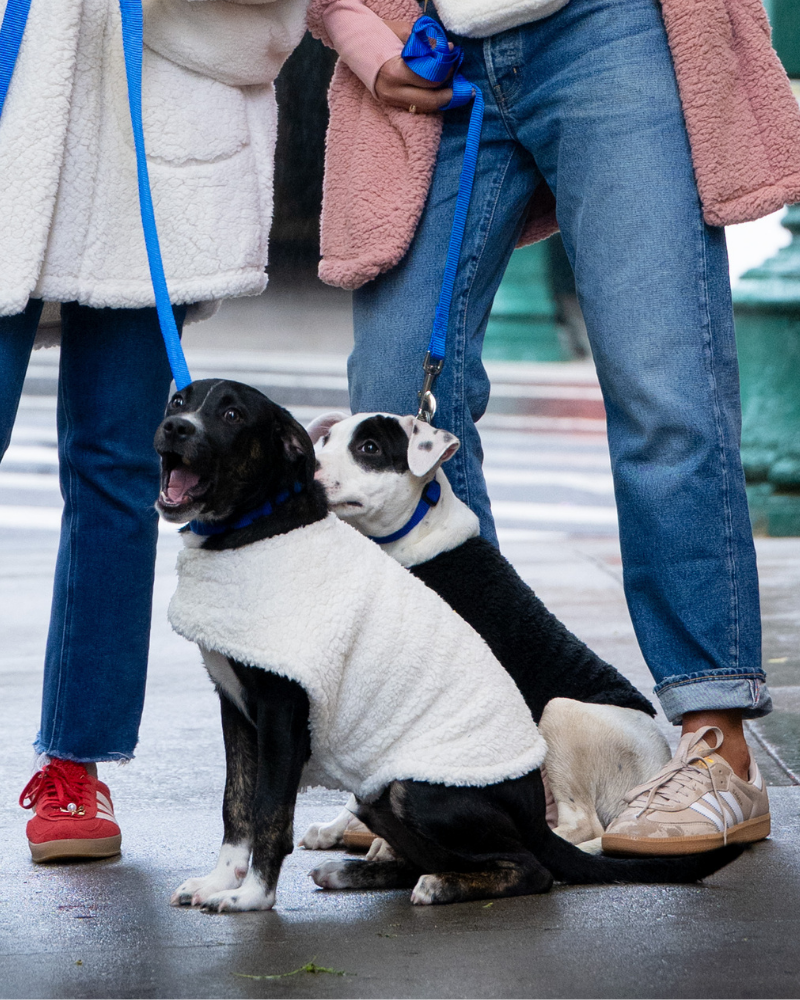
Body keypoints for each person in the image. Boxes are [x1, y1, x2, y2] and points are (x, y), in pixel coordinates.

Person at [309, 0, 800, 853]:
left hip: (612, 29)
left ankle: (716, 743)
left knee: (662, 383)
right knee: (393, 389)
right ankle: (476, 751)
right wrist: (363, 34)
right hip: (436, 51)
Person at [1, 0, 308, 862]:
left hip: (149, 155)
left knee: (116, 468)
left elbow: (274, 21)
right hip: (11, 110)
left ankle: (75, 761)